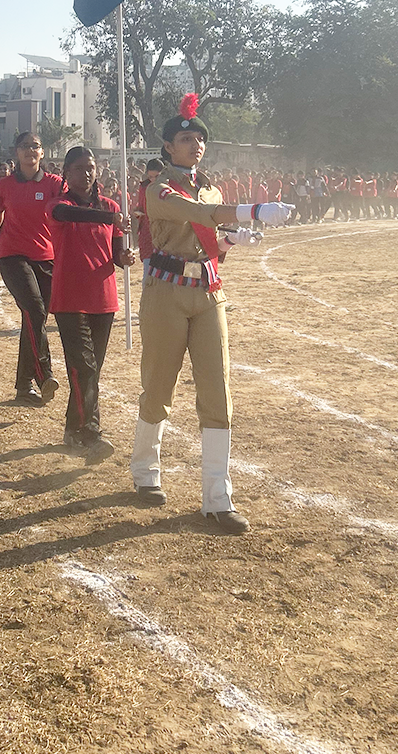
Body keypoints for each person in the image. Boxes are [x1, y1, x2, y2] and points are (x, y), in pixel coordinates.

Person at [129, 94, 293, 535]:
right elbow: (194, 214)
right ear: (167, 146)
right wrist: (251, 211)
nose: (195, 144)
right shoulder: (159, 187)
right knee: (159, 386)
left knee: (218, 393)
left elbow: (208, 240)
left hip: (207, 292)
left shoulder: (211, 187)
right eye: (186, 138)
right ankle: (145, 471)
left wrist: (231, 242)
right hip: (165, 292)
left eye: (200, 138)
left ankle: (217, 499)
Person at [48, 146, 135, 462]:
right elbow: (68, 216)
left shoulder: (111, 206)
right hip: (70, 298)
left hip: (103, 298)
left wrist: (123, 258)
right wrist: (109, 217)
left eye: (91, 167)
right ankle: (91, 435)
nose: (87, 173)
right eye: (79, 168)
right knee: (83, 367)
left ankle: (73, 430)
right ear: (67, 174)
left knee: (89, 370)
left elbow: (114, 253)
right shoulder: (60, 205)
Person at [0, 132, 63, 406]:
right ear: (16, 152)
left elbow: (67, 218)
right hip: (12, 257)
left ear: (42, 152)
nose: (30, 151)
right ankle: (44, 374)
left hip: (46, 259)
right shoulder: (3, 186)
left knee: (33, 319)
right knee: (35, 310)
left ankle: (23, 386)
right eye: (25, 147)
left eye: (35, 146)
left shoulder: (55, 185)